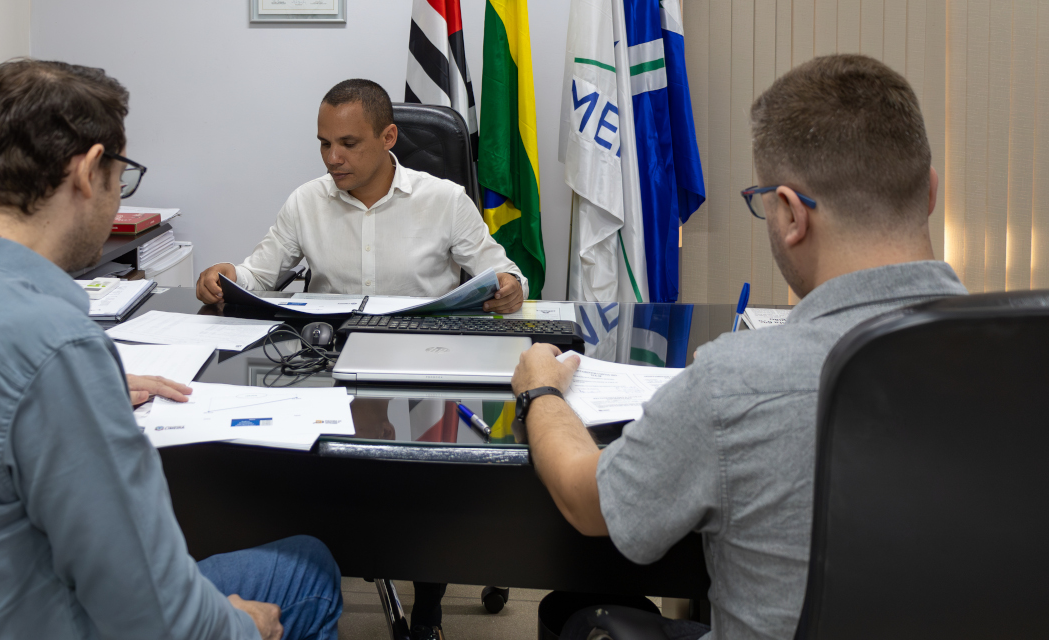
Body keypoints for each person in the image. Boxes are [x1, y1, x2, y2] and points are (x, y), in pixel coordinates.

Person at [0, 59, 342, 640]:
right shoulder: (55, 349)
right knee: (306, 573)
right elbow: (151, 612)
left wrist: (76, 395)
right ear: (90, 170)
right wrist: (244, 629)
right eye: (124, 174)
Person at [509, 54, 968, 640]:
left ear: (791, 215)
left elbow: (582, 496)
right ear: (929, 192)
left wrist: (541, 390)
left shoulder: (736, 384)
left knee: (577, 615)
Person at [196, 79, 526, 315]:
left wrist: (510, 288)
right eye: (325, 143)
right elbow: (258, 277)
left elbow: (506, 277)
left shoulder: (446, 200)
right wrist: (226, 278)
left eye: (348, 144)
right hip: (327, 349)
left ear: (388, 137)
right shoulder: (306, 201)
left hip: (421, 346)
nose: (332, 158)